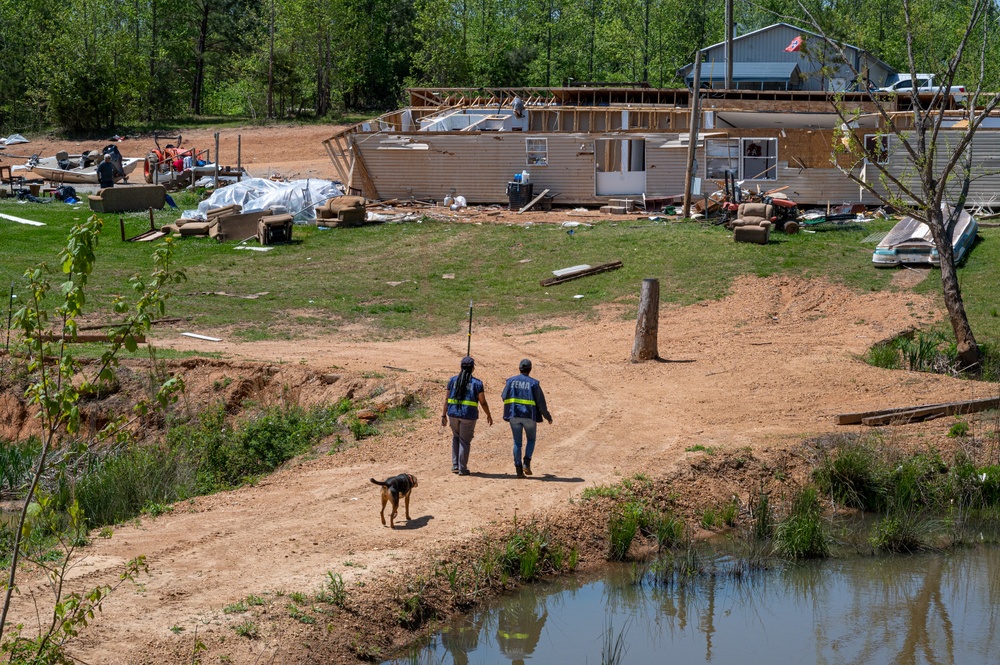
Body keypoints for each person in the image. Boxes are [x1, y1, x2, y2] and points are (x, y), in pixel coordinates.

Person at [500, 359, 552, 478]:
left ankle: (518, 469)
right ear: (530, 369)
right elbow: (541, 404)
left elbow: (503, 396)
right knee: (531, 440)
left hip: (514, 415)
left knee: (517, 443)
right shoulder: (534, 383)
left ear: (519, 368)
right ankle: (526, 462)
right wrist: (547, 417)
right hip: (529, 416)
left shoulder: (510, 381)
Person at [441, 356, 492, 475]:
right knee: (464, 441)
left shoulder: (452, 381)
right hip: (468, 415)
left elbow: (446, 400)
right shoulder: (477, 383)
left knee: (456, 437)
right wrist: (488, 414)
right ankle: (462, 468)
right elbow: (483, 402)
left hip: (453, 413)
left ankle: (455, 465)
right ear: (473, 368)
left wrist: (443, 416)